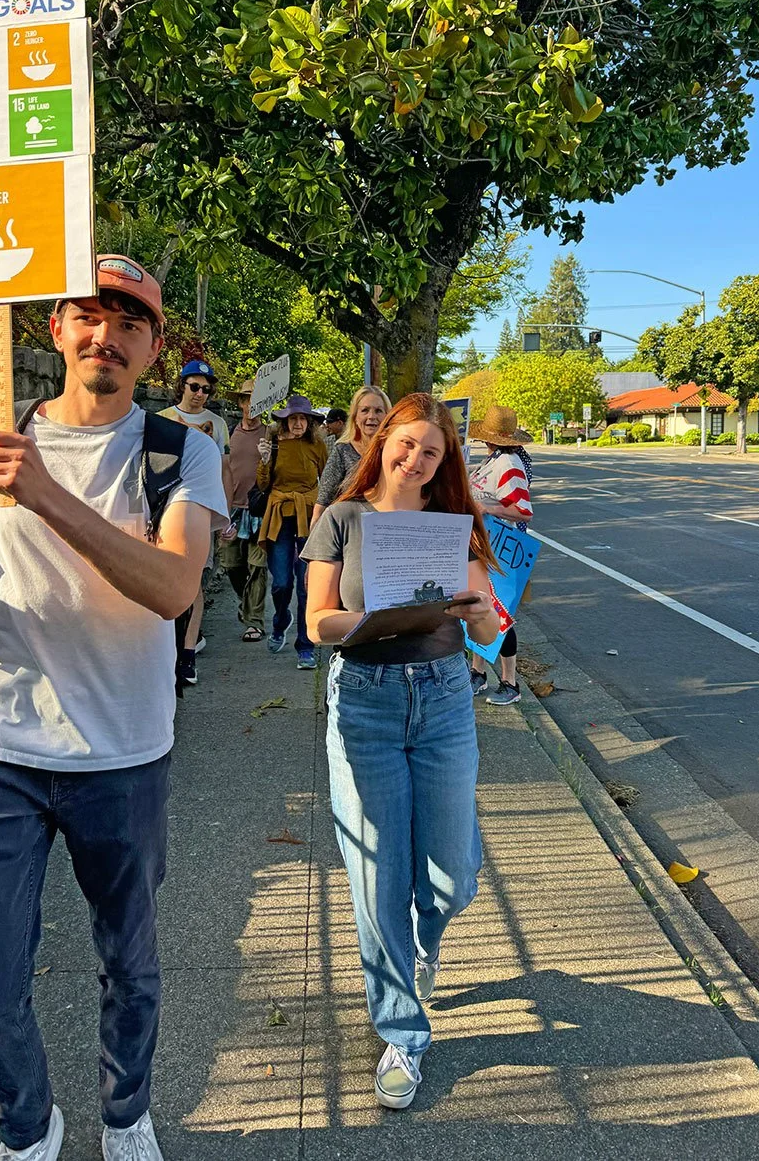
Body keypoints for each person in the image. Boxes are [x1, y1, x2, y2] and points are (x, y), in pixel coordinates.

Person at [0, 254, 227, 1161]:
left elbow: (172, 587)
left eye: (131, 323)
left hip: (124, 752)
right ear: (54, 328)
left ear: (154, 348)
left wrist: (44, 495)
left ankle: (125, 1117)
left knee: (129, 963)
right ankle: (28, 1129)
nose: (108, 335)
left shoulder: (179, 451)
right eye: (90, 315)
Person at [303, 393, 501, 1111]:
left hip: (445, 698)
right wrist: (378, 618)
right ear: (380, 440)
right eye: (405, 443)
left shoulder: (456, 528)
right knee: (377, 874)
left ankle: (424, 941)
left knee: (452, 878)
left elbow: (485, 630)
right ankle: (402, 1032)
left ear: (444, 463)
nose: (413, 459)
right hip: (366, 698)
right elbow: (317, 620)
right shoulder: (342, 520)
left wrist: (483, 615)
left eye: (431, 452)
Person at [159, 361, 233, 684]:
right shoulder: (161, 420)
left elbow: (225, 471)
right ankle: (166, 650)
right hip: (164, 512)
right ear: (182, 386)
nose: (201, 394)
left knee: (195, 583)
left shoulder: (217, 425)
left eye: (206, 389)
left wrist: (226, 516)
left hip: (201, 511)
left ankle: (187, 654)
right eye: (194, 387)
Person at [466, 405, 534, 705]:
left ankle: (510, 682)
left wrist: (487, 509)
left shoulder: (508, 463)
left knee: (499, 614)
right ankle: (478, 673)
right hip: (486, 547)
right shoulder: (497, 459)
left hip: (501, 551)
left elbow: (523, 511)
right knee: (479, 610)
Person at [256, 395, 328, 668]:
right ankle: (280, 620)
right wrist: (263, 460)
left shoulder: (317, 445)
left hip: (310, 519)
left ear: (309, 422)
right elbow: (262, 485)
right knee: (281, 583)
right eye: (294, 418)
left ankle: (305, 646)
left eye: (303, 419)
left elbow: (328, 478)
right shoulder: (273, 444)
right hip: (280, 517)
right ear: (285, 420)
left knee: (306, 586)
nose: (298, 423)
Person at [218, 378, 269, 641]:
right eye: (247, 399)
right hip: (233, 510)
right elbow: (221, 472)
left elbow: (276, 474)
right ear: (240, 403)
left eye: (257, 399)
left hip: (260, 510)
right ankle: (246, 604)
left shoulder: (270, 434)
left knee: (257, 567)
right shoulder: (229, 434)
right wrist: (220, 514)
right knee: (232, 566)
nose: (252, 405)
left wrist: (269, 457)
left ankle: (255, 622)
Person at [311, 385, 391, 524]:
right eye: (365, 410)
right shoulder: (343, 451)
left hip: (385, 531)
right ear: (355, 416)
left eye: (378, 411)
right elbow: (322, 502)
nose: (371, 416)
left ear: (387, 416)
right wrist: (314, 539)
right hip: (349, 532)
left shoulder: (396, 452)